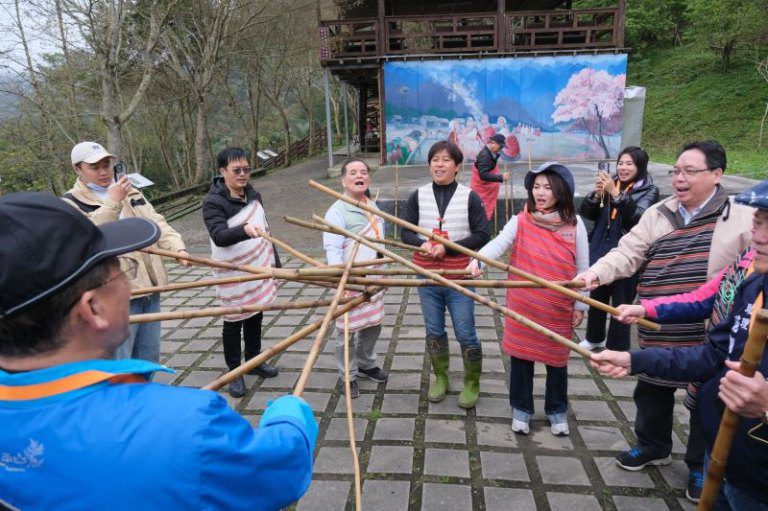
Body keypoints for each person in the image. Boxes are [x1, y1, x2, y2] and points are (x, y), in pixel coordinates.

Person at [0, 193, 317, 511]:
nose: (130, 286)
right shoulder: (188, 428)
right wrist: (289, 414)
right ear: (93, 309)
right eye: (122, 269)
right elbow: (279, 471)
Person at [575, 140, 753, 502]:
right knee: (651, 388)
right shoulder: (659, 213)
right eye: (676, 171)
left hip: (708, 328)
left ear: (717, 174)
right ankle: (652, 445)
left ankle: (700, 464)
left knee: (707, 398)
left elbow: (745, 275)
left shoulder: (743, 218)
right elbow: (627, 252)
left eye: (690, 171)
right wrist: (593, 275)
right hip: (656, 319)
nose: (679, 178)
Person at [468, 162, 589, 436]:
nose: (540, 193)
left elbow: (583, 268)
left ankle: (557, 410)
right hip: (523, 305)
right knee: (521, 360)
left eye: (547, 187)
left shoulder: (575, 224)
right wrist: (478, 261)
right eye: (536, 187)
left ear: (561, 191)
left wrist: (580, 304)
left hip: (558, 307)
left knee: (557, 361)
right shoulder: (521, 220)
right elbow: (498, 243)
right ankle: (521, 409)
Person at [64, 141, 190, 363]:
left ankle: (144, 386)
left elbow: (156, 222)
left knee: (148, 357)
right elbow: (88, 237)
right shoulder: (70, 203)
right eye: (94, 167)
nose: (103, 172)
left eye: (106, 165)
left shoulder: (130, 191)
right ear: (77, 169)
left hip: (151, 287)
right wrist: (113, 202)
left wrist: (177, 247)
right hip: (114, 294)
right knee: (121, 360)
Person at [401, 140, 491, 409]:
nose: (439, 165)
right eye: (435, 160)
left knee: (465, 331)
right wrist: (422, 244)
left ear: (457, 166)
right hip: (426, 276)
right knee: (434, 329)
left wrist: (448, 248)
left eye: (445, 160)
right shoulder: (417, 195)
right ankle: (441, 377)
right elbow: (405, 232)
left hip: (459, 276)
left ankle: (472, 382)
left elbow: (482, 234)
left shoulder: (470, 197)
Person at [202, 147, 280, 399]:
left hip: (257, 266)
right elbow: (219, 236)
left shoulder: (253, 195)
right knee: (234, 321)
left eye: (246, 169)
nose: (243, 174)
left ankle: (254, 361)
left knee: (256, 314)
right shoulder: (213, 202)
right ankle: (234, 371)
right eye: (236, 170)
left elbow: (265, 230)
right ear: (222, 171)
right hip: (232, 271)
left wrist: (274, 262)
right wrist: (244, 230)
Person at [579, 147, 660, 351]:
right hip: (601, 248)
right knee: (597, 297)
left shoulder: (649, 190)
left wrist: (616, 194)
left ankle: (617, 347)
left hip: (629, 254)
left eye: (629, 164)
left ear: (640, 166)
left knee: (621, 304)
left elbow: (638, 218)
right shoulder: (611, 183)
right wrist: (597, 196)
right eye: (620, 163)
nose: (623, 168)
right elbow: (588, 213)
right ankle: (594, 338)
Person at [322, 158, 389, 398]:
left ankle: (366, 363)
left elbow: (380, 241)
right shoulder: (337, 211)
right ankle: (347, 375)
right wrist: (340, 278)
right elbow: (332, 249)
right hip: (350, 281)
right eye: (353, 172)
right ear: (343, 181)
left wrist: (383, 272)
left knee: (373, 324)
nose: (359, 175)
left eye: (363, 172)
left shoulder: (372, 205)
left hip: (374, 279)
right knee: (346, 332)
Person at [470, 133, 511, 221]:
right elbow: (483, 175)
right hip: (481, 189)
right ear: (493, 143)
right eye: (500, 147)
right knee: (480, 211)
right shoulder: (485, 156)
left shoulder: (490, 153)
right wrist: (501, 177)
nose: (501, 149)